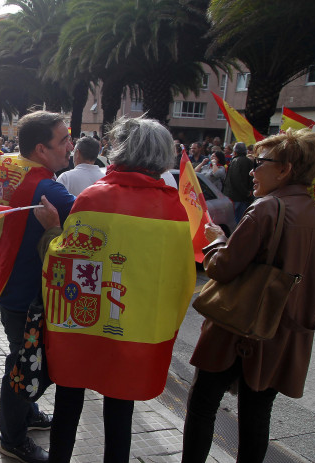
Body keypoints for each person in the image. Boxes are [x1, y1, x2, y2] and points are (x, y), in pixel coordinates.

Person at [34, 116, 195, 463]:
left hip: (84, 325)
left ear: (121, 148)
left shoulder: (94, 199)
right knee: (120, 410)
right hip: (135, 331)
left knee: (69, 399)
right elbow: (183, 279)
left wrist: (51, 230)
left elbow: (63, 260)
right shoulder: (173, 209)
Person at [181, 129, 315, 463]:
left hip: (238, 330)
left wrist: (216, 239)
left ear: (285, 169)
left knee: (203, 405)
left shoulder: (266, 209)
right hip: (284, 336)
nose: (252, 170)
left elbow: (222, 269)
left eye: (259, 163)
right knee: (256, 415)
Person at [0, 110, 76, 463]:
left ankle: (28, 414)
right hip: (28, 294)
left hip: (7, 281)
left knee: (25, 358)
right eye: (64, 140)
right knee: (23, 365)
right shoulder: (48, 189)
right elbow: (89, 225)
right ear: (41, 149)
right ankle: (13, 439)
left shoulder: (6, 168)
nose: (71, 146)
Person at [223, 141, 254, 223]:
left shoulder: (235, 161)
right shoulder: (248, 162)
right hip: (242, 196)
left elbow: (236, 179)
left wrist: (245, 192)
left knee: (235, 220)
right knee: (240, 219)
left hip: (236, 196)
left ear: (235, 152)